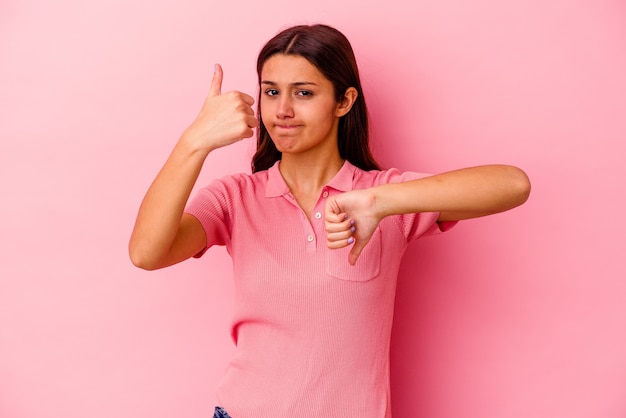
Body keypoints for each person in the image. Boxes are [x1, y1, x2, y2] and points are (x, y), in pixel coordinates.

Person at [129, 24, 530, 418]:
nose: (283, 110)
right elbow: (147, 253)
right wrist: (194, 141)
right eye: (271, 92)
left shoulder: (383, 196)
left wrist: (379, 202)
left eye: (303, 93)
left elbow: (512, 184)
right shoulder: (235, 198)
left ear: (344, 101)